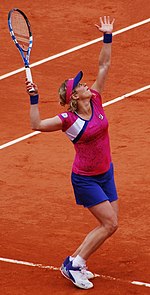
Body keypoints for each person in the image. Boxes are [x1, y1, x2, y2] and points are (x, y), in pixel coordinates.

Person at [26, 16, 118, 290]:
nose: (85, 84)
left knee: (111, 225)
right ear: (74, 97)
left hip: (106, 172)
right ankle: (74, 262)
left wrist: (107, 36)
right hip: (86, 179)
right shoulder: (67, 119)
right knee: (110, 223)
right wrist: (33, 99)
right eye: (79, 85)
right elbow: (37, 125)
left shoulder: (97, 99)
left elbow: (104, 64)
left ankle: (76, 261)